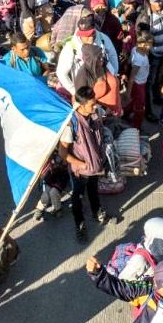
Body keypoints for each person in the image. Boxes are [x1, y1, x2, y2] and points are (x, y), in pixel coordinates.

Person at [58, 86, 109, 242]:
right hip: (80, 170)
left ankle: (97, 211)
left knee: (93, 190)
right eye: (91, 105)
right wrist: (80, 164)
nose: (95, 107)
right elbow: (63, 153)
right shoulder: (71, 124)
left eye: (95, 103)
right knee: (77, 197)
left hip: (94, 166)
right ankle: (79, 224)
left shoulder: (95, 114)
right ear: (81, 105)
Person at [136, 0, 163, 121]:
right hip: (151, 56)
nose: (159, 3)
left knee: (157, 78)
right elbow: (142, 41)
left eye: (161, 0)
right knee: (148, 81)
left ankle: (157, 97)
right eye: (155, 1)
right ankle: (148, 110)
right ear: (149, 2)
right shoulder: (145, 18)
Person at [56, 15, 119, 96]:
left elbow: (112, 55)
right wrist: (74, 92)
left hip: (103, 82)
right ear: (79, 34)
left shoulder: (103, 38)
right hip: (82, 88)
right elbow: (61, 73)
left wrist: (114, 74)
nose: (90, 38)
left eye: (92, 34)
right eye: (86, 35)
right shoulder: (70, 47)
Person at [74, 44, 122, 116]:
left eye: (101, 55)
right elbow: (83, 102)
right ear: (91, 59)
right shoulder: (83, 75)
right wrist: (103, 110)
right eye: (98, 57)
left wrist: (118, 107)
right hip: (101, 115)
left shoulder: (103, 65)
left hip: (115, 111)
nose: (101, 59)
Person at [125, 32, 153, 130]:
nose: (152, 46)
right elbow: (132, 77)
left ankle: (125, 114)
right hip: (139, 85)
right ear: (144, 44)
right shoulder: (139, 60)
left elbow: (129, 61)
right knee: (140, 108)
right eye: (151, 44)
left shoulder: (135, 50)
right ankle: (136, 127)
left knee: (132, 101)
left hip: (140, 83)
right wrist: (127, 93)